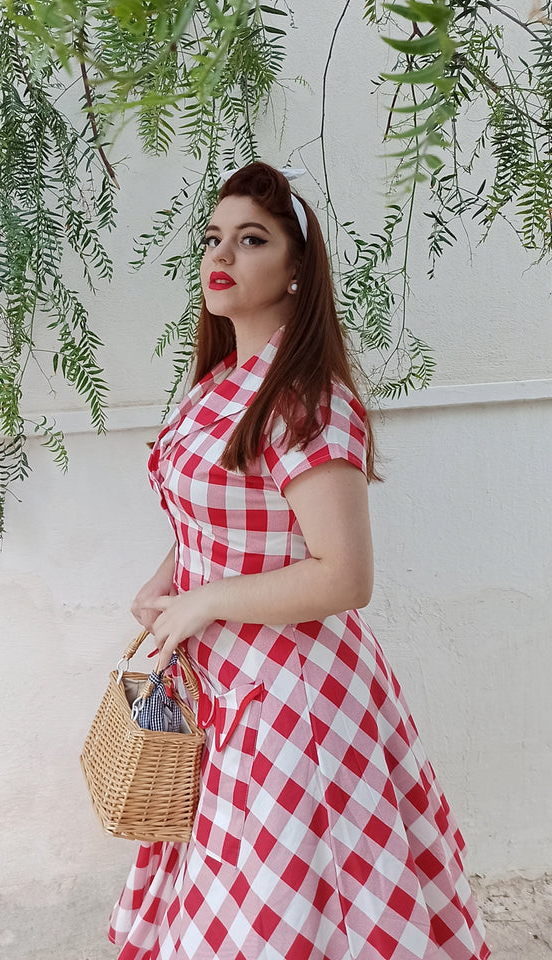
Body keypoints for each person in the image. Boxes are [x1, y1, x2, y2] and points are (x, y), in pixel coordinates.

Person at [109, 162, 490, 960]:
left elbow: (344, 575)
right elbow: (211, 518)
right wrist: (169, 576)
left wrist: (205, 600)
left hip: (294, 698)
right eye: (215, 237)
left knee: (289, 911)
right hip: (222, 687)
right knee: (231, 895)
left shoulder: (306, 400)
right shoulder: (217, 385)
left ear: (295, 272)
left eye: (253, 240)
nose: (225, 254)